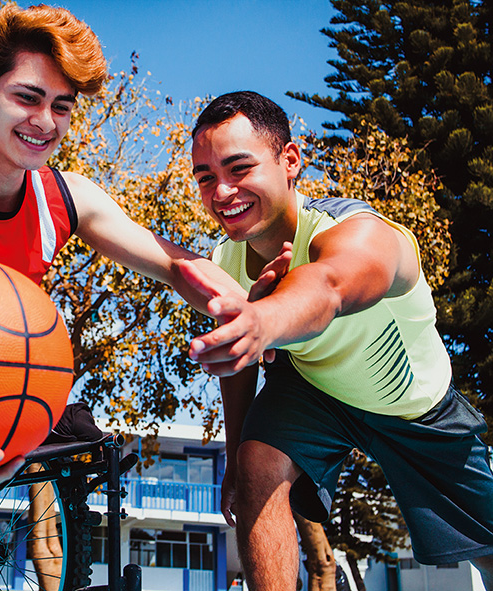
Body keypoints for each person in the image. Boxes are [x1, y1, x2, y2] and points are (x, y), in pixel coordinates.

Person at [0, 7, 287, 506]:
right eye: (28, 97)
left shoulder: (66, 196)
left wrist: (251, 312)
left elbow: (174, 264)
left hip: (18, 394)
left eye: (61, 106)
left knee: (82, 463)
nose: (46, 123)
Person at [182, 90, 493, 590]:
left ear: (289, 161)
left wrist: (264, 316)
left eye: (238, 169)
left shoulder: (358, 231)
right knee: (258, 463)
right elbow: (238, 363)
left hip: (416, 409)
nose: (221, 192)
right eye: (205, 178)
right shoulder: (226, 263)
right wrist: (235, 454)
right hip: (315, 390)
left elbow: (328, 286)